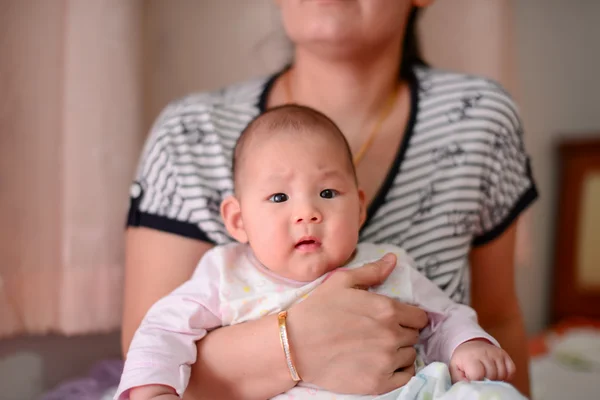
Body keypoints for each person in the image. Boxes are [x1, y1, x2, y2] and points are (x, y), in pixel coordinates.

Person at [122, 2, 538, 399]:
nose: (306, 213)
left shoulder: (388, 264)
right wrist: (298, 345)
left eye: (326, 193)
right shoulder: (225, 273)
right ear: (237, 219)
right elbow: (158, 338)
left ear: (359, 207)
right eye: (279, 197)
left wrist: (471, 346)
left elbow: (463, 316)